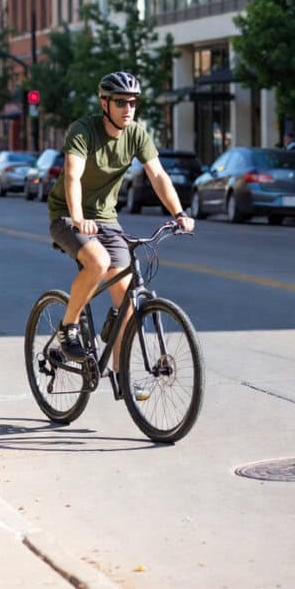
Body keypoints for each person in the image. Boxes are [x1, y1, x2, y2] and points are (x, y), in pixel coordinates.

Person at [47, 70, 195, 376]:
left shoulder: (136, 134)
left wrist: (179, 213)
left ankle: (120, 374)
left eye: (133, 102)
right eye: (120, 102)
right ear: (104, 104)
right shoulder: (83, 130)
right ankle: (68, 327)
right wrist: (78, 218)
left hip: (107, 219)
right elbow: (73, 175)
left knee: (126, 300)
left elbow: (158, 175)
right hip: (67, 214)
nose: (128, 108)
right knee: (98, 262)